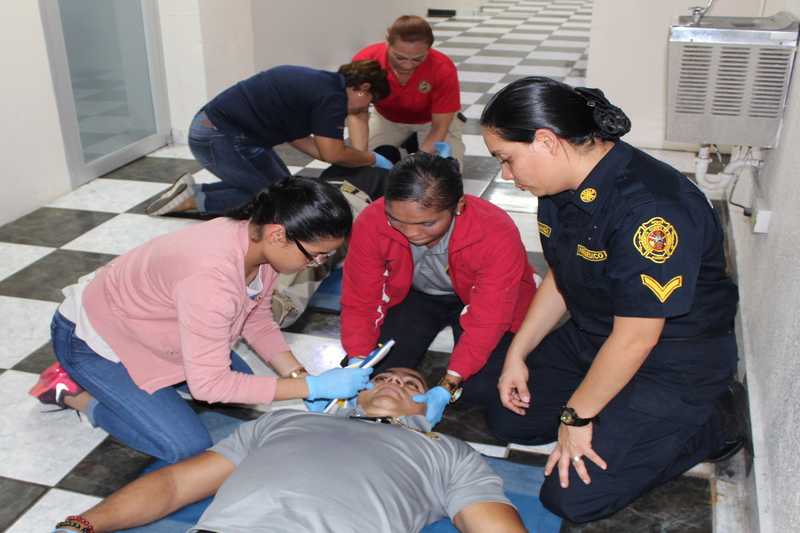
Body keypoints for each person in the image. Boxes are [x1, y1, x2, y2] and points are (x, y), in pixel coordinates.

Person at [479, 76, 745, 523]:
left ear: (546, 141)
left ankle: (718, 417)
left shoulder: (650, 212)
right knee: (509, 417)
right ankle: (617, 408)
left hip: (672, 357)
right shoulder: (559, 186)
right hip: (597, 332)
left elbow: (637, 339)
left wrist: (576, 419)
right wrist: (517, 354)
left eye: (507, 159)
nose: (507, 174)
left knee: (572, 498)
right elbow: (563, 275)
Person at [30, 178, 373, 464]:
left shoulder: (257, 243)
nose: (317, 264)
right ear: (278, 235)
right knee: (185, 445)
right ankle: (73, 392)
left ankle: (149, 383)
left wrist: (299, 376)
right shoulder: (212, 278)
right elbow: (208, 386)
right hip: (95, 341)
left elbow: (256, 320)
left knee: (242, 385)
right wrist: (311, 388)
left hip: (154, 329)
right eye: (316, 255)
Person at [50, 368, 528, 533]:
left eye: (411, 385)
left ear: (430, 409)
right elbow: (175, 485)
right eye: (382, 377)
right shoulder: (283, 421)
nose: (394, 383)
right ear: (356, 390)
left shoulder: (445, 451)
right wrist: (80, 525)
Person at [340, 152, 537, 427]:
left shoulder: (495, 231)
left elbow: (489, 319)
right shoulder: (372, 220)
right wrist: (357, 361)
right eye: (396, 220)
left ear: (458, 206)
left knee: (479, 389)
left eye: (427, 223)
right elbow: (361, 297)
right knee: (373, 372)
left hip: (478, 297)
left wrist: (449, 384)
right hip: (416, 296)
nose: (411, 233)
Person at [145, 61, 392, 216]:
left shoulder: (322, 85)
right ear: (363, 89)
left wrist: (354, 158)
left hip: (225, 132)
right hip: (218, 136)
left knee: (288, 190)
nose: (364, 109)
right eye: (369, 103)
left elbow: (302, 141)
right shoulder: (333, 98)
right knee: (277, 199)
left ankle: (190, 190)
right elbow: (332, 153)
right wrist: (369, 158)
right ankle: (194, 200)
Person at [349, 15, 465, 167]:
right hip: (387, 119)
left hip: (431, 121)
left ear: (429, 49)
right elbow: (357, 113)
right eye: (399, 57)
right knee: (370, 166)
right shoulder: (367, 61)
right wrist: (361, 158)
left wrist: (418, 161)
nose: (407, 65)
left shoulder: (443, 68)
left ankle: (415, 142)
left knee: (443, 172)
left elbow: (439, 127)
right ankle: (411, 141)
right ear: (387, 43)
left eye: (417, 59)